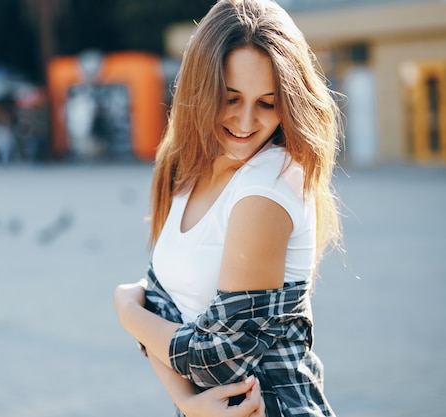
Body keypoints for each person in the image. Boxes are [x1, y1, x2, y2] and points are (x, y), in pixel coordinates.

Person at [114, 0, 342, 416]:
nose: (245, 122)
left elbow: (219, 357)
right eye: (230, 97)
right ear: (200, 88)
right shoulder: (187, 165)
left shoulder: (267, 184)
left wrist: (126, 310)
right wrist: (187, 400)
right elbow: (165, 308)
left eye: (268, 103)